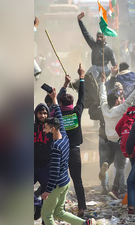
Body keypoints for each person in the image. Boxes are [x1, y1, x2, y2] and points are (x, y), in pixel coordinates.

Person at [40, 88, 96, 225]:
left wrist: (47, 191)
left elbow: (54, 172)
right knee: (59, 212)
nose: (44, 130)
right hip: (65, 182)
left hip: (57, 184)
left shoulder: (55, 147)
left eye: (46, 128)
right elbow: (58, 116)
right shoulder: (64, 136)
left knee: (46, 216)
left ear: (52, 129)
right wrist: (54, 100)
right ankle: (85, 223)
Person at [98, 72, 135, 199]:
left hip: (109, 139)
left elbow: (102, 96)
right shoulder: (120, 109)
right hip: (119, 140)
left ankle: (107, 163)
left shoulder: (104, 108)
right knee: (121, 166)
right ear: (116, 101)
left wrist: (103, 82)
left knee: (110, 158)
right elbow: (129, 100)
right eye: (119, 98)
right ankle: (116, 189)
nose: (121, 99)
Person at [57, 64, 87, 217]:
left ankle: (57, 207)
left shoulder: (57, 115)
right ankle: (82, 208)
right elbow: (82, 97)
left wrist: (65, 85)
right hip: (74, 150)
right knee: (77, 180)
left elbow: (55, 101)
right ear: (71, 104)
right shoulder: (77, 112)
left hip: (60, 150)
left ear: (61, 105)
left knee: (57, 180)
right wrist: (81, 78)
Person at [77, 12, 117, 80]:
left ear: (104, 38)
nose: (99, 38)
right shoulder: (94, 45)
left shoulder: (109, 49)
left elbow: (114, 63)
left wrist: (114, 69)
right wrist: (79, 21)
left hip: (105, 70)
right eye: (97, 37)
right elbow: (86, 34)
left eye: (101, 37)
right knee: (85, 82)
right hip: (94, 70)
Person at [34, 102, 52, 199]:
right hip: (32, 165)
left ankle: (41, 212)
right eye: (40, 113)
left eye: (45, 113)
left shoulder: (50, 129)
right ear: (36, 114)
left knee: (47, 194)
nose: (43, 115)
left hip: (46, 166)